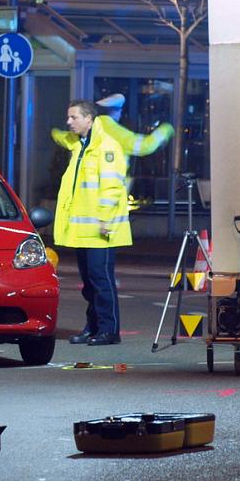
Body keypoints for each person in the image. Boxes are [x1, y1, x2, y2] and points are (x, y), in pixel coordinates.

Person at [51, 100, 173, 346]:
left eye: (74, 117)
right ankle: (93, 327)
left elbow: (111, 186)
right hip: (83, 230)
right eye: (69, 117)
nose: (69, 122)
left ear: (90, 119)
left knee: (101, 281)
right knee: (90, 283)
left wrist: (105, 219)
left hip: (101, 229)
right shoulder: (81, 146)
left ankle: (109, 331)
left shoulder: (107, 147)